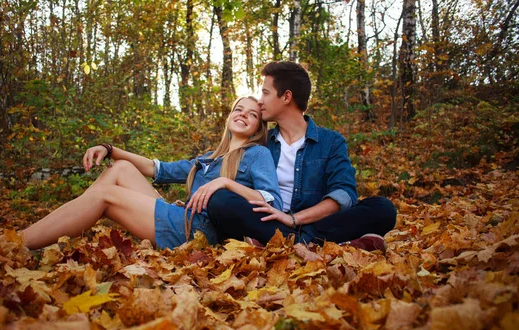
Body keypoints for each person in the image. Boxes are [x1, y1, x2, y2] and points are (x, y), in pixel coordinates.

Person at [20, 96, 282, 250]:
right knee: (121, 168)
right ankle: (65, 224)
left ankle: (17, 243)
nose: (243, 115)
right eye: (239, 109)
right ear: (229, 117)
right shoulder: (207, 159)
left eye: (252, 115)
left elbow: (271, 200)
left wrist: (226, 183)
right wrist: (110, 149)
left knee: (106, 195)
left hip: (200, 231)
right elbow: (156, 169)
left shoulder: (258, 155)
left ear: (259, 128)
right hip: (183, 217)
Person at [207, 61, 397, 252]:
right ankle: (317, 243)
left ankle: (291, 241)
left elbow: (344, 194)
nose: (260, 101)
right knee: (221, 201)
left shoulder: (330, 141)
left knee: (383, 208)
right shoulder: (261, 144)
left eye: (265, 93)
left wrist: (293, 219)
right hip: (269, 222)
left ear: (286, 97)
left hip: (316, 223)